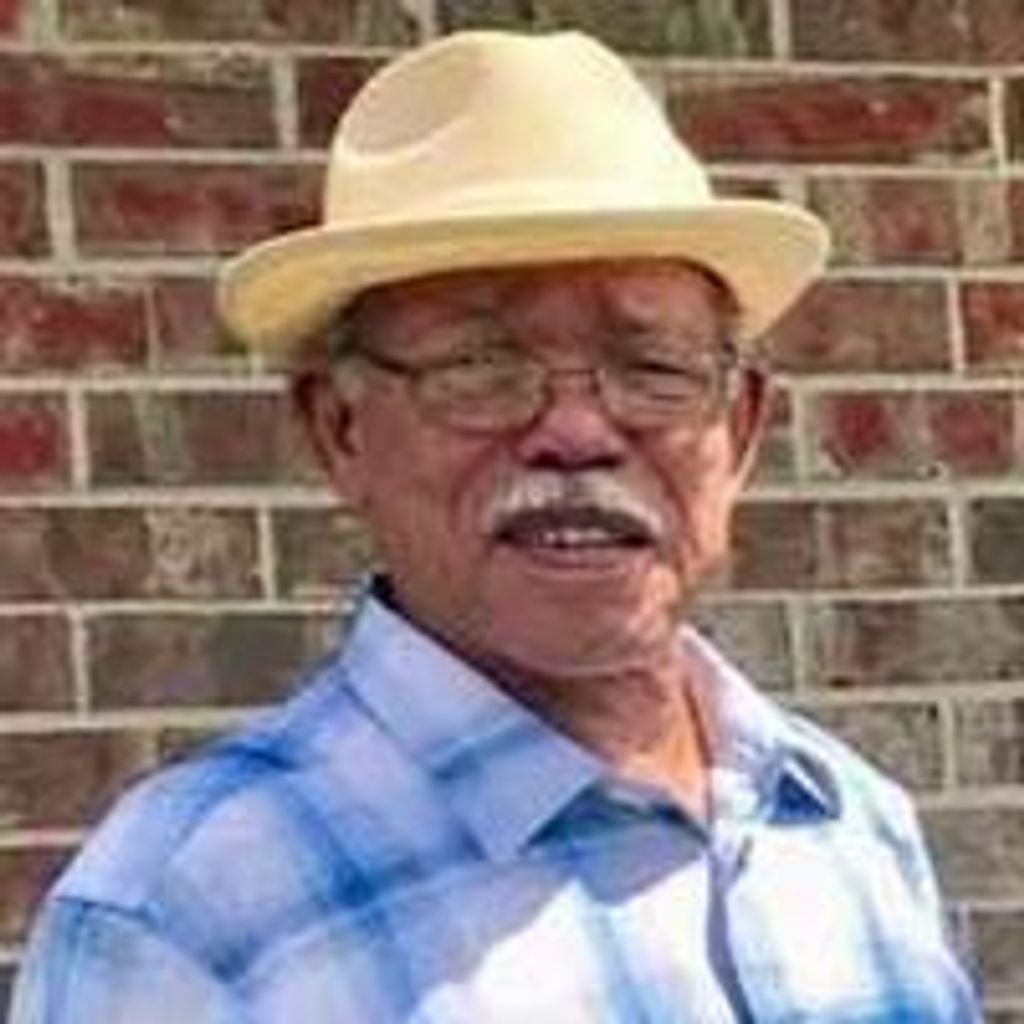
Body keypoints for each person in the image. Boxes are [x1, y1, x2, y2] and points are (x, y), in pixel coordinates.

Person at [10, 29, 980, 1024]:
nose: (576, 432)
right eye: (478, 366)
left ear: (737, 430)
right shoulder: (184, 918)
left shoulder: (848, 826)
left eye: (653, 368)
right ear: (339, 431)